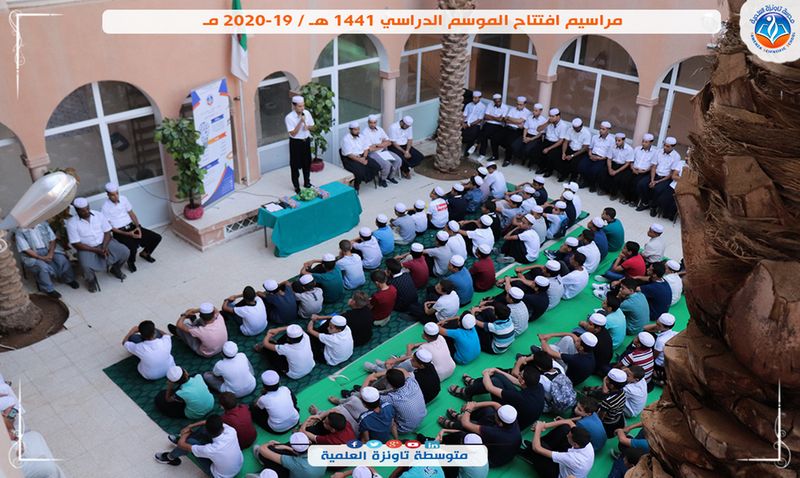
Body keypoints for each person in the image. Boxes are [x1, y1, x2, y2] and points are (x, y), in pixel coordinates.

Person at [65, 197, 130, 291]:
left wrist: (104, 247)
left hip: (104, 242)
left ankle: (115, 269)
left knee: (125, 251)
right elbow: (76, 243)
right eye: (83, 211)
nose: (87, 211)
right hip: (86, 247)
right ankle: (91, 280)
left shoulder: (98, 215)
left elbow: (107, 232)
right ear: (77, 210)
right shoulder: (72, 223)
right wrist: (97, 250)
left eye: (87, 208)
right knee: (85, 266)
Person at [451, 366, 545, 430]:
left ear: (523, 381)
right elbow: (516, 381)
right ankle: (474, 384)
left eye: (520, 374)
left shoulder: (519, 397)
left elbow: (490, 388)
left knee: (493, 381)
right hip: (523, 410)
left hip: (514, 421)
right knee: (497, 376)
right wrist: (498, 370)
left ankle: (466, 392)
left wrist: (486, 374)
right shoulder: (538, 386)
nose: (518, 374)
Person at [101, 182, 162, 272]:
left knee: (156, 237)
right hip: (119, 232)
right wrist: (128, 234)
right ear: (108, 195)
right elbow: (110, 228)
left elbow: (131, 213)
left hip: (131, 226)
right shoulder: (105, 207)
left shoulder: (124, 199)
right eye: (112, 195)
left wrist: (138, 227)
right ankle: (131, 262)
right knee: (133, 247)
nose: (116, 196)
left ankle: (145, 253)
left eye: (117, 193)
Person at [155, 414, 244, 476]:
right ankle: (185, 440)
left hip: (220, 475)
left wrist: (185, 433)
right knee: (201, 430)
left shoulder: (212, 449)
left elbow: (181, 445)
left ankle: (170, 457)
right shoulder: (231, 431)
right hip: (238, 464)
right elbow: (206, 422)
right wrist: (190, 426)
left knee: (188, 443)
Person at [445, 403, 521, 468]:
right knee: (488, 411)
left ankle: (453, 424)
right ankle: (461, 418)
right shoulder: (511, 419)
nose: (496, 413)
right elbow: (494, 404)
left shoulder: (495, 433)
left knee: (469, 436)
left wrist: (468, 410)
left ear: (501, 423)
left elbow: (466, 424)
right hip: (502, 447)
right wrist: (474, 405)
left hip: (489, 459)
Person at [15, 221, 77, 298]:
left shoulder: (43, 224)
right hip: (32, 254)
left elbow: (52, 240)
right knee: (42, 267)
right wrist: (42, 258)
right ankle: (49, 289)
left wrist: (50, 253)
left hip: (49, 249)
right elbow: (26, 250)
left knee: (62, 259)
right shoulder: (20, 232)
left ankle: (69, 279)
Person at [526, 417, 595, 478]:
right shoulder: (586, 443)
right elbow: (569, 422)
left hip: (558, 474)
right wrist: (544, 425)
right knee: (565, 428)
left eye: (569, 436)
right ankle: (535, 445)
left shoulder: (573, 459)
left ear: (575, 444)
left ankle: (529, 453)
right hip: (567, 466)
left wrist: (538, 428)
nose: (567, 435)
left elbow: (537, 448)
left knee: (538, 446)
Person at [253, 432, 326, 478]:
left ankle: (262, 471)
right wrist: (285, 447)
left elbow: (263, 449)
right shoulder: (320, 450)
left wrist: (269, 444)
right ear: (309, 442)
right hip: (312, 473)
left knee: (269, 452)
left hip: (297, 471)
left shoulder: (296, 463)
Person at [636, 136, 680, 211]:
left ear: (673, 147)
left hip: (665, 178)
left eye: (667, 146)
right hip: (654, 175)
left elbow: (671, 173)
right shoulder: (658, 152)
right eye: (664, 145)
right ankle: (645, 203)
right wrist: (652, 180)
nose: (665, 147)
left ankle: (653, 207)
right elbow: (654, 167)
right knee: (642, 184)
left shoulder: (676, 156)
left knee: (657, 189)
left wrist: (657, 182)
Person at [251, 370, 300, 434]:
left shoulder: (264, 399)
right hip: (295, 420)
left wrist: (263, 394)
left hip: (279, 429)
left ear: (264, 386)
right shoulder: (285, 389)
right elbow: (294, 401)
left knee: (252, 408)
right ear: (279, 383)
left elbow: (255, 405)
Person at [285, 95, 315, 193]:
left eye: (303, 106)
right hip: (296, 143)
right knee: (295, 165)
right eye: (299, 106)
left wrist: (308, 127)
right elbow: (293, 133)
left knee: (307, 162)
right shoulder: (289, 117)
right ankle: (296, 186)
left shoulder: (307, 113)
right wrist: (300, 122)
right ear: (294, 106)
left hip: (306, 141)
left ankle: (307, 182)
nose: (302, 108)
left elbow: (313, 126)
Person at [362, 114, 401, 186]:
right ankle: (382, 179)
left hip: (383, 151)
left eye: (374, 122)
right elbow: (370, 149)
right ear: (368, 122)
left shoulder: (380, 129)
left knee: (398, 160)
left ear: (376, 122)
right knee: (386, 164)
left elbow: (389, 142)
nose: (372, 124)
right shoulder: (365, 132)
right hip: (372, 154)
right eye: (371, 122)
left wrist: (377, 145)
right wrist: (383, 144)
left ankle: (390, 177)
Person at [620, 133, 657, 205]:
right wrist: (633, 168)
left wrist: (643, 171)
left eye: (646, 142)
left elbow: (652, 166)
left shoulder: (654, 152)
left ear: (651, 143)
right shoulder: (637, 149)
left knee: (637, 183)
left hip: (644, 172)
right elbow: (631, 160)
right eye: (643, 141)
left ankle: (634, 200)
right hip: (633, 169)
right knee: (625, 179)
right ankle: (626, 198)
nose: (643, 143)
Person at [578, 120, 615, 188]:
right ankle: (585, 181)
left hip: (602, 158)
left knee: (595, 170)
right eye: (600, 128)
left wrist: (599, 158)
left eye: (603, 129)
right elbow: (590, 148)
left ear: (608, 130)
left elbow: (609, 155)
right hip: (592, 155)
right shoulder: (595, 137)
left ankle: (592, 184)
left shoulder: (612, 141)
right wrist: (590, 155)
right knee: (582, 165)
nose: (600, 130)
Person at [533, 108, 569, 175]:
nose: (550, 118)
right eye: (550, 116)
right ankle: (541, 167)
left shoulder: (563, 126)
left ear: (558, 116)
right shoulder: (548, 121)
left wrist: (548, 148)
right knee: (537, 149)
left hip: (556, 144)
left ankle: (549, 171)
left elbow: (561, 141)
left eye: (552, 116)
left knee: (551, 154)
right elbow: (538, 129)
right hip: (547, 140)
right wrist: (547, 123)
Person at [645, 312, 678, 385]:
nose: (656, 325)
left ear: (667, 327)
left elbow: (654, 357)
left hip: (659, 364)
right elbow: (645, 328)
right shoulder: (675, 334)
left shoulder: (661, 341)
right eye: (656, 323)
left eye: (658, 325)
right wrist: (659, 326)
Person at [553, 117, 591, 182]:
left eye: (576, 128)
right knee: (561, 157)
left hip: (579, 152)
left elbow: (584, 148)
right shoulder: (570, 130)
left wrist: (572, 156)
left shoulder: (587, 133)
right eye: (574, 128)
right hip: (571, 148)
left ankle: (573, 178)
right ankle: (564, 174)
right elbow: (566, 142)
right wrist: (563, 152)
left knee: (575, 162)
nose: (575, 129)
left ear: (581, 126)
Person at [476, 93, 509, 163]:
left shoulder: (505, 107)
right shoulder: (490, 105)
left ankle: (494, 155)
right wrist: (496, 118)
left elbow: (501, 120)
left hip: (498, 126)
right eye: (496, 101)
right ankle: (482, 154)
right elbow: (485, 117)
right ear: (493, 101)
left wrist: (491, 117)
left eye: (499, 101)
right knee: (483, 135)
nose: (497, 103)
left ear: (501, 100)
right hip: (488, 124)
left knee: (490, 136)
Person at [599, 133, 634, 198]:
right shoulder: (612, 146)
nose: (617, 142)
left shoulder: (629, 149)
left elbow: (627, 163)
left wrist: (616, 171)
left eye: (619, 141)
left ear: (623, 140)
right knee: (604, 172)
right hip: (613, 163)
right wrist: (610, 169)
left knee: (618, 177)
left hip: (623, 166)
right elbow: (609, 159)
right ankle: (605, 190)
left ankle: (614, 194)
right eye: (616, 140)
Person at [499, 96, 531, 166]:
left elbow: (520, 122)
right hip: (508, 127)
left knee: (510, 142)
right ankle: (496, 155)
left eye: (520, 105)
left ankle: (507, 159)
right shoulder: (512, 109)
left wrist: (510, 118)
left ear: (525, 104)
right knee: (497, 137)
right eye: (517, 104)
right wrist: (516, 122)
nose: (518, 106)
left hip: (517, 130)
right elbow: (506, 121)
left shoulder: (527, 112)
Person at [462, 90, 486, 156]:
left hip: (475, 124)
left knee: (472, 135)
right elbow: (464, 115)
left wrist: (469, 124)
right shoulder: (469, 104)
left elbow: (479, 119)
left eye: (475, 98)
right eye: (473, 97)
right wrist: (463, 123)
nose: (473, 99)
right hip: (466, 122)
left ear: (479, 98)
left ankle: (467, 153)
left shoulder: (483, 107)